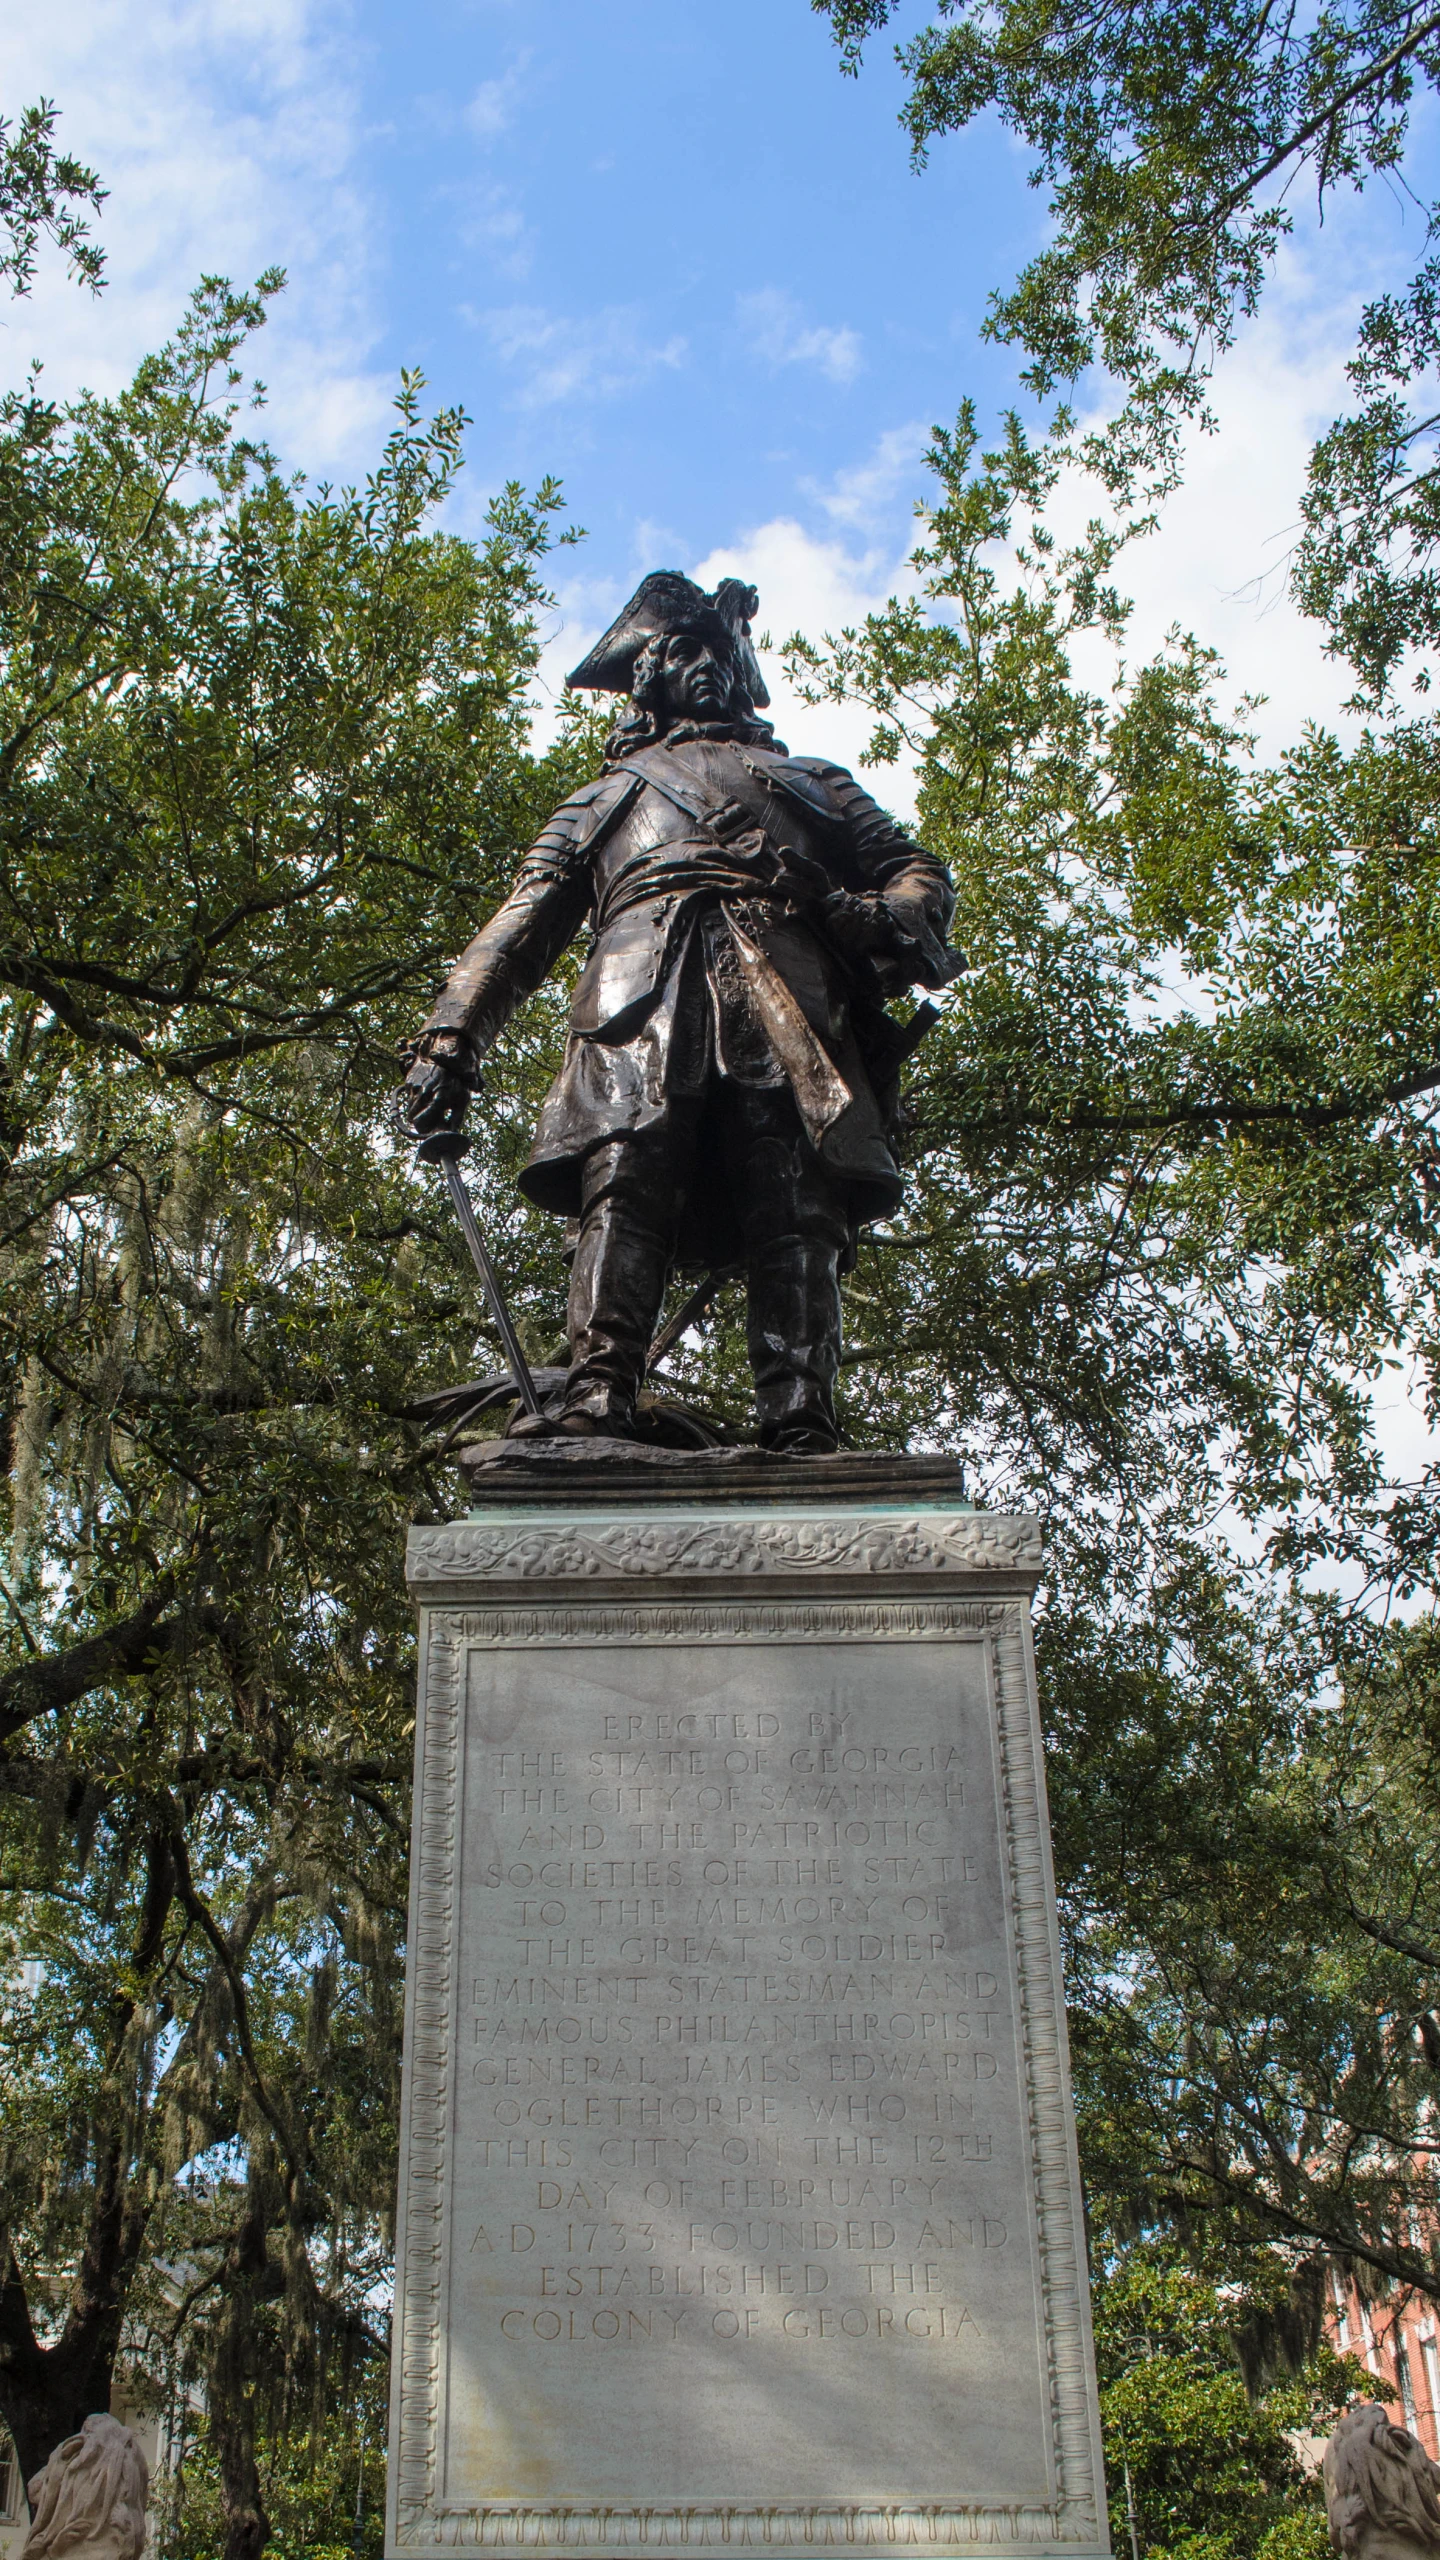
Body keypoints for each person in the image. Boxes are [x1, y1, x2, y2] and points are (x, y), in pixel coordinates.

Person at [402, 571, 959, 1453]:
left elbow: (918, 873)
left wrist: (881, 916)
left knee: (794, 1202)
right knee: (623, 1188)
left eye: (718, 652)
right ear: (651, 676)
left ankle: (801, 1411)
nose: (704, 666)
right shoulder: (601, 798)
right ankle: (596, 1392)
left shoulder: (813, 782)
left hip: (786, 1000)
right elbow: (521, 925)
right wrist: (452, 1034)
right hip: (637, 1005)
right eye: (682, 651)